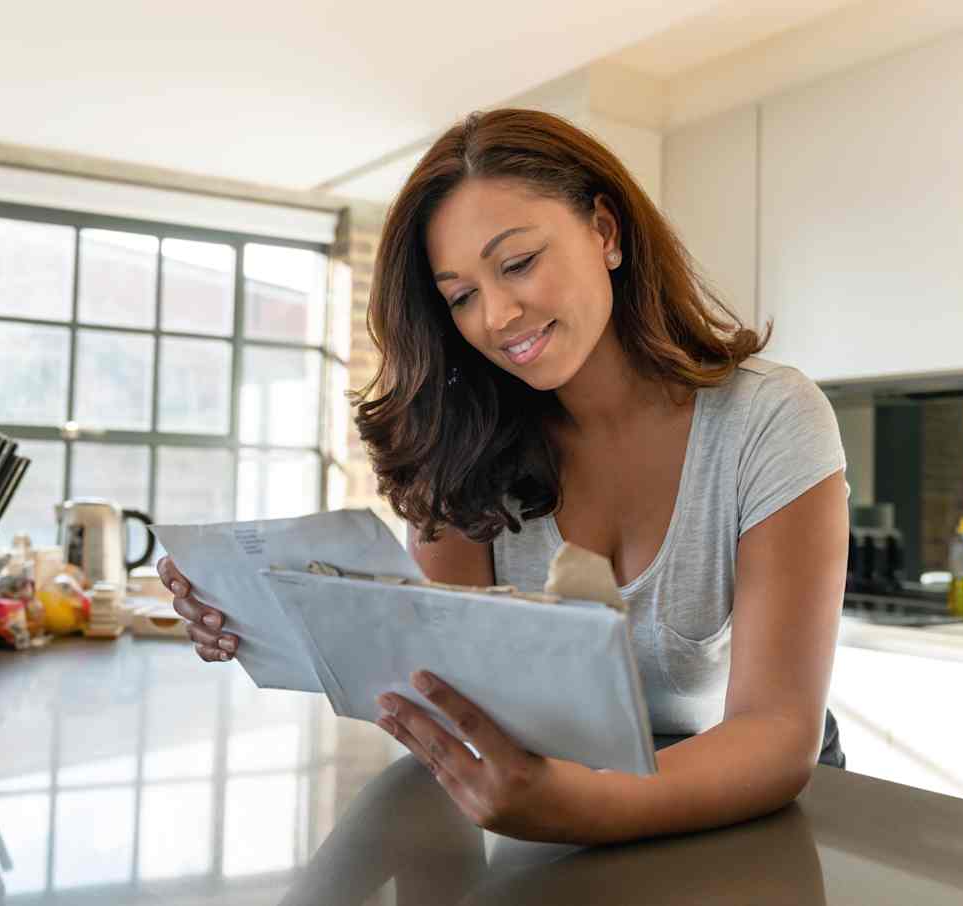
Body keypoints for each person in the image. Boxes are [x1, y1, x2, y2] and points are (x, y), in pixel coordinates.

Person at [161, 107, 848, 846]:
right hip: (549, 810)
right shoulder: (462, 448)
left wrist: (584, 808)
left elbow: (776, 732)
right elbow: (447, 695)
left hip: (741, 814)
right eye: (459, 296)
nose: (496, 315)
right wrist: (270, 624)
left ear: (606, 232)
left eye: (518, 263)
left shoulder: (771, 419)